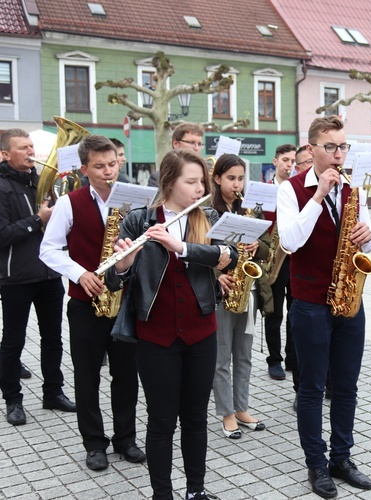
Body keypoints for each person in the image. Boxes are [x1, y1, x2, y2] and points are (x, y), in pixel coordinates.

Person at [105, 148, 236, 500]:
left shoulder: (208, 216)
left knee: (195, 418)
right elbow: (114, 284)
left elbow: (230, 257)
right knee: (162, 421)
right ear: (168, 183)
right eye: (190, 182)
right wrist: (123, 264)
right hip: (156, 336)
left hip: (201, 333)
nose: (199, 189)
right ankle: (161, 494)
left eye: (201, 182)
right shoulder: (140, 220)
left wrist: (183, 247)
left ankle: (196, 491)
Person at [277, 116, 371, 498]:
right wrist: (318, 197)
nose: (339, 155)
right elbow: (290, 241)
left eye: (343, 147)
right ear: (312, 148)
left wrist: (368, 238)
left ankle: (342, 457)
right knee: (312, 388)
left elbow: (368, 248)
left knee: (347, 386)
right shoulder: (291, 190)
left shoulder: (354, 190)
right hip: (310, 302)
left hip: (349, 300)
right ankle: (316, 464)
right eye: (331, 147)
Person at [40, 135, 144, 470]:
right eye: (99, 167)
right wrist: (80, 273)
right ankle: (94, 444)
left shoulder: (134, 199)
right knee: (87, 377)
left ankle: (126, 439)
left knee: (127, 376)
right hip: (87, 302)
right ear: (84, 169)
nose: (108, 171)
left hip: (125, 300)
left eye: (112, 164)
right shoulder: (70, 202)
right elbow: (48, 249)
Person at [0, 129, 75, 427]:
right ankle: (13, 400)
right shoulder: (2, 186)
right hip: (16, 276)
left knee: (53, 338)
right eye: (23, 148)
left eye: (32, 146)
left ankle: (53, 392)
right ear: (6, 154)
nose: (31, 152)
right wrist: (38, 220)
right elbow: (3, 234)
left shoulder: (41, 183)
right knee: (13, 341)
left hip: (48, 273)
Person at [211, 154, 269, 439]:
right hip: (222, 293)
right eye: (231, 178)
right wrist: (216, 274)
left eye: (240, 178)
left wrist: (260, 244)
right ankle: (227, 412)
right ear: (218, 178)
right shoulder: (208, 210)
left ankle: (242, 407)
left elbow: (270, 249)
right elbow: (196, 249)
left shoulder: (250, 210)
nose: (237, 184)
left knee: (244, 355)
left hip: (248, 291)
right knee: (222, 357)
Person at [264, 144, 296, 381]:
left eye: (293, 160)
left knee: (295, 313)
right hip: (273, 258)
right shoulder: (264, 190)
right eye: (285, 160)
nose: (289, 165)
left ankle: (292, 358)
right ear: (275, 162)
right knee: (273, 314)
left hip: (294, 259)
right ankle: (274, 360)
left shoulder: (299, 189)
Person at [148, 122, 205, 187]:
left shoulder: (207, 173)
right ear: (176, 144)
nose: (196, 148)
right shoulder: (158, 178)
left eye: (199, 144)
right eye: (192, 143)